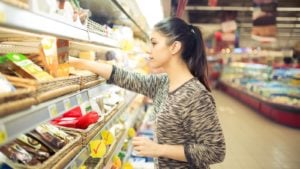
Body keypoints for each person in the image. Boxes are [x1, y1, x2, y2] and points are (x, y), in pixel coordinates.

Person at [70, 17, 226, 169]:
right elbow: (125, 77)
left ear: (174, 47)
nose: (149, 50)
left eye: (154, 43)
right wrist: (81, 63)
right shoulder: (164, 82)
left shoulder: (196, 96)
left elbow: (216, 151)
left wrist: (159, 149)